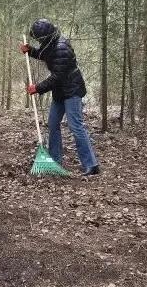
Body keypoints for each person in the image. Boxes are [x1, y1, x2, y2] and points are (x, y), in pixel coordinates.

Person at [21, 19, 100, 176]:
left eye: (39, 39)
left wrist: (37, 88)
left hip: (72, 90)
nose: (38, 42)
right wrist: (30, 51)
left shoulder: (61, 48)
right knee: (52, 124)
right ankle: (55, 160)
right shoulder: (51, 43)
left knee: (76, 126)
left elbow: (57, 77)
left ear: (45, 37)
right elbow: (46, 55)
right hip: (60, 92)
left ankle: (91, 165)